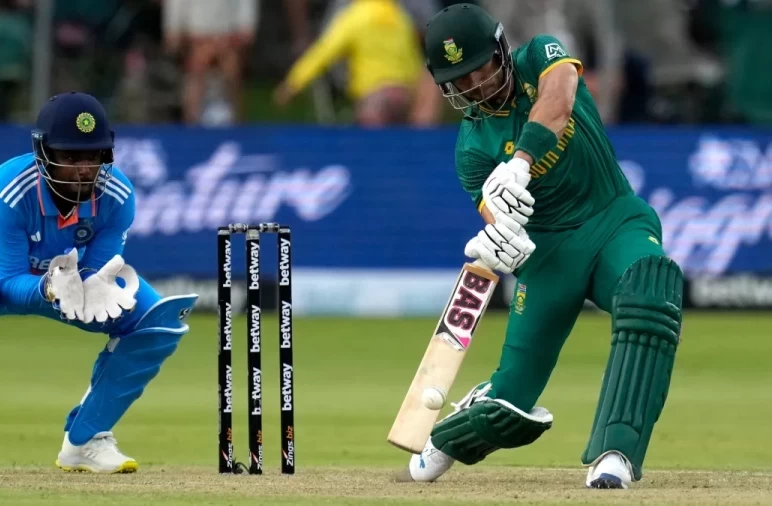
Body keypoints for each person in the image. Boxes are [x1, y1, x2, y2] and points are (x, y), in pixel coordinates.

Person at [407, 4, 683, 489]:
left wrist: (521, 161)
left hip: (613, 219)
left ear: (501, 51)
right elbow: (496, 217)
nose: (475, 86)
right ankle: (455, 430)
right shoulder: (470, 150)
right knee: (510, 406)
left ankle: (615, 454)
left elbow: (559, 99)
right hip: (549, 258)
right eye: (460, 80)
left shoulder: (540, 56)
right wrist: (501, 240)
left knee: (650, 289)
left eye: (480, 69)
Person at [0, 92, 197, 474]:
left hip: (65, 272)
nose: (84, 169)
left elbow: (98, 271)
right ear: (43, 152)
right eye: (70, 157)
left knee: (156, 322)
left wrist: (94, 286)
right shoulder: (7, 189)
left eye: (93, 156)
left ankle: (86, 441)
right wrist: (50, 288)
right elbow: (8, 280)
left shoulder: (118, 195)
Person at [274, 0, 425, 127]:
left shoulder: (355, 17)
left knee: (370, 147)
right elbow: (413, 59)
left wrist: (291, 85)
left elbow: (323, 52)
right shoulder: (400, 17)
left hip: (374, 98)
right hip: (404, 95)